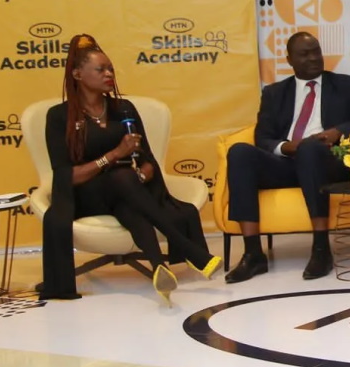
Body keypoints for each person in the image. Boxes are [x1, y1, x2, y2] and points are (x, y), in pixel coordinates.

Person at [41, 34, 220, 304]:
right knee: (122, 178)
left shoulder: (123, 108)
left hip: (127, 191)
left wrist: (142, 174)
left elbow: (147, 160)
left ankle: (159, 269)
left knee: (128, 197)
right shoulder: (58, 116)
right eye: (100, 69)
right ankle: (187, 247)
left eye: (111, 69)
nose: (109, 74)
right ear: (77, 74)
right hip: (85, 197)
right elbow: (68, 177)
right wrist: (114, 155)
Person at [224, 32, 350, 283]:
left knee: (311, 149)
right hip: (287, 163)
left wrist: (338, 131)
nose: (313, 58)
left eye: (316, 52)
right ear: (289, 60)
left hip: (327, 163)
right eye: (304, 54)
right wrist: (287, 147)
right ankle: (253, 254)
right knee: (239, 152)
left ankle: (321, 249)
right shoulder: (274, 93)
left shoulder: (346, 85)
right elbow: (263, 138)